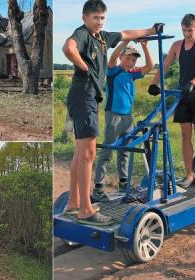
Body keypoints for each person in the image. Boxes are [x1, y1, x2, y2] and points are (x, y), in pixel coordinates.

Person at [63, 0, 161, 225]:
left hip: (85, 99)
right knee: (89, 154)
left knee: (80, 153)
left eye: (102, 18)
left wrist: (152, 31)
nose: (99, 21)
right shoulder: (82, 34)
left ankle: (74, 204)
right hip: (84, 97)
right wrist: (85, 67)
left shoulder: (103, 37)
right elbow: (68, 48)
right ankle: (86, 209)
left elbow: (127, 33)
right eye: (95, 17)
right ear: (84, 18)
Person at [148, 14, 195, 188]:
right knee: (185, 136)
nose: (187, 34)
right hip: (183, 95)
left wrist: (193, 82)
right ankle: (189, 175)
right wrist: (154, 83)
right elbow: (165, 65)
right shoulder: (177, 45)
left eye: (190, 30)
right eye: (184, 30)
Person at [93, 40, 154, 201]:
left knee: (125, 151)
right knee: (108, 150)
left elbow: (149, 67)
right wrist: (126, 39)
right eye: (128, 58)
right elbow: (111, 58)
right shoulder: (113, 71)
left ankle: (123, 182)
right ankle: (98, 187)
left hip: (128, 118)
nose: (130, 62)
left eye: (133, 60)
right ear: (121, 57)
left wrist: (146, 47)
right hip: (114, 116)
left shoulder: (131, 74)